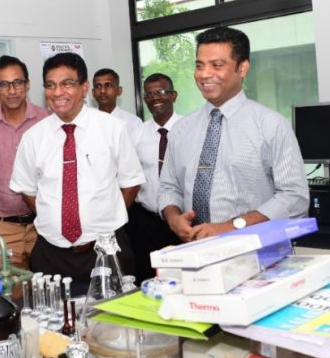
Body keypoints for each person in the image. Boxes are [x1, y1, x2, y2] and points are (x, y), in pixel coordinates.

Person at [159, 26, 309, 243]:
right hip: (194, 250)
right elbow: (168, 187)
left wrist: (231, 226)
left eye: (217, 65)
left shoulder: (271, 125)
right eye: (199, 66)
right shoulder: (181, 129)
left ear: (242, 68)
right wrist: (174, 218)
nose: (204, 74)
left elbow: (294, 197)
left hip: (257, 252)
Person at [11, 53, 145, 295]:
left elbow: (131, 183)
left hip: (106, 250)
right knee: (55, 317)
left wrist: (106, 222)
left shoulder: (113, 129)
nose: (57, 92)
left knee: (112, 317)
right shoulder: (33, 138)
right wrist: (56, 218)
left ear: (84, 88)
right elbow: (27, 190)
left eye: (67, 83)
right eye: (50, 85)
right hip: (51, 252)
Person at [0, 55, 49, 273]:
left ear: (28, 84)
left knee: (47, 287)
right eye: (4, 85)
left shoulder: (46, 120)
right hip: (4, 228)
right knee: (10, 290)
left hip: (43, 224)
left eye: (18, 82)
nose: (12, 90)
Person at [129, 73, 182, 280]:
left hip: (183, 219)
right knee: (148, 276)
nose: (155, 98)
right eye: (149, 94)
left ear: (173, 95)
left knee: (183, 276)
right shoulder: (137, 133)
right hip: (147, 221)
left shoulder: (188, 128)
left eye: (160, 92)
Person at [92, 68, 143, 138]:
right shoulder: (86, 122)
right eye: (98, 86)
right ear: (93, 92)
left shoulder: (134, 123)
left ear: (119, 90)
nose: (102, 91)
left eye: (108, 85)